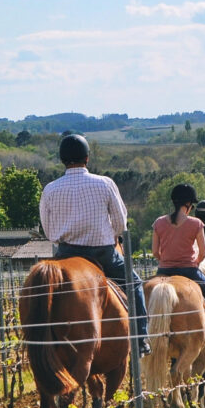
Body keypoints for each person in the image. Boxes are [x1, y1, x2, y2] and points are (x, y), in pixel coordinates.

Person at [39, 134, 150, 354]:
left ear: (62, 159)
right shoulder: (104, 183)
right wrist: (113, 234)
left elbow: (50, 233)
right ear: (87, 158)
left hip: (65, 255)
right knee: (135, 284)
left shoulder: (50, 189)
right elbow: (120, 223)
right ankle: (140, 339)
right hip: (102, 254)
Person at [152, 185, 205, 352]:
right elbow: (202, 253)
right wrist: (194, 262)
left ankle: (141, 338)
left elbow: (154, 252)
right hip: (189, 270)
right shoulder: (196, 223)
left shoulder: (159, 222)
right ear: (188, 205)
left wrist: (166, 260)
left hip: (163, 271)